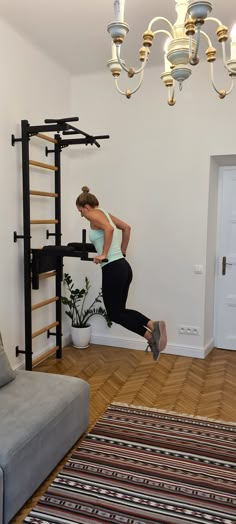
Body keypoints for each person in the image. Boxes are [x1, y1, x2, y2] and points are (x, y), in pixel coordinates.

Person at [76, 186, 167, 361]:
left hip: (113, 269)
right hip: (123, 267)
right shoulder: (104, 213)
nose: (81, 214)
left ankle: (153, 325)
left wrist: (103, 255)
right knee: (120, 312)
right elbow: (126, 228)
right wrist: (122, 252)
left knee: (114, 314)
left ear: (86, 206)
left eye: (80, 210)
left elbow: (109, 230)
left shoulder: (92, 214)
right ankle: (151, 337)